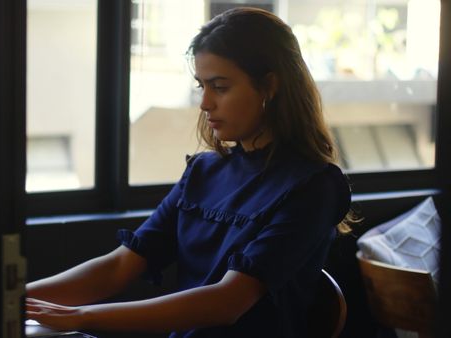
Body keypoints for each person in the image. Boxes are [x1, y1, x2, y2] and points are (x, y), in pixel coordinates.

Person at [26, 7, 352, 338]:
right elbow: (121, 266)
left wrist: (81, 317)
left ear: (269, 85)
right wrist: (14, 299)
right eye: (202, 86)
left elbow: (228, 302)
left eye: (220, 87)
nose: (205, 103)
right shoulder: (203, 173)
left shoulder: (313, 186)